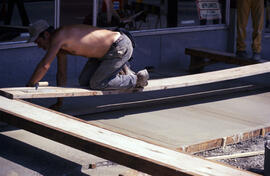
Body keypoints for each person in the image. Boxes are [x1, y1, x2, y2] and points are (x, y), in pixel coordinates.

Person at [26, 20, 149, 110]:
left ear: (46, 35)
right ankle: (122, 68)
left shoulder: (59, 36)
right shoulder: (59, 45)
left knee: (97, 83)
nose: (38, 46)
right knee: (84, 81)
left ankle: (136, 79)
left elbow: (44, 65)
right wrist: (59, 102)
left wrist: (30, 85)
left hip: (119, 46)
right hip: (104, 54)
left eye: (38, 41)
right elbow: (62, 74)